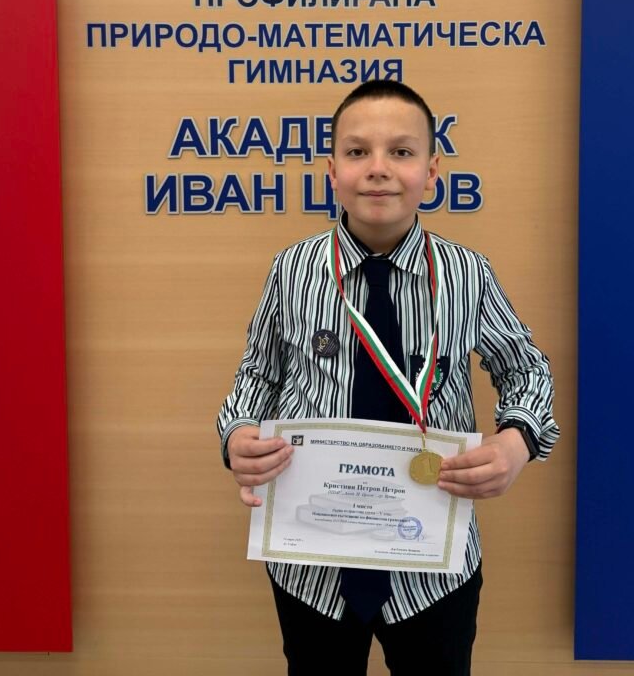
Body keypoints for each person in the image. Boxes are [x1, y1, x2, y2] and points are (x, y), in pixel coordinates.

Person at [217, 80, 559, 676]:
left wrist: (517, 442)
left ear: (432, 172)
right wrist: (237, 435)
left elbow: (526, 366)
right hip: (313, 560)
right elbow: (259, 372)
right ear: (332, 171)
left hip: (433, 562)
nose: (378, 168)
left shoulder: (467, 274)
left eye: (401, 151)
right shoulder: (292, 270)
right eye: (357, 152)